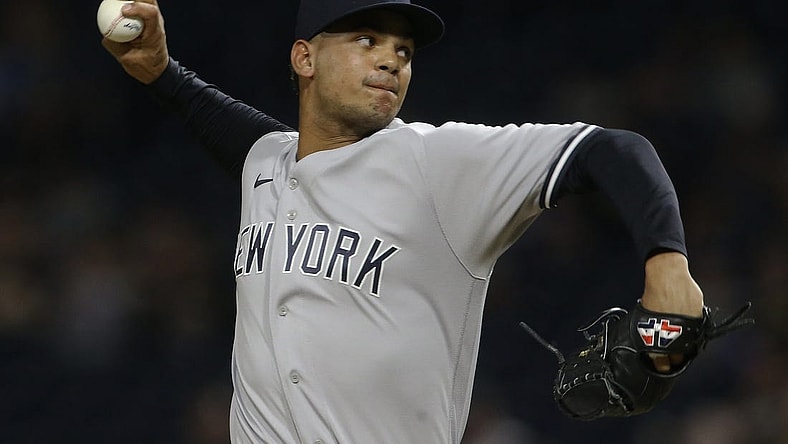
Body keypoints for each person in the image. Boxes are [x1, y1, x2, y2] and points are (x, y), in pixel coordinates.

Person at [102, 0, 705, 442]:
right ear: (304, 58)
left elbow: (613, 149)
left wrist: (667, 265)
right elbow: (220, 122)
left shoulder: (437, 162)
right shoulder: (268, 160)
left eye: (403, 51)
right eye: (366, 38)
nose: (391, 58)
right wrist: (160, 72)